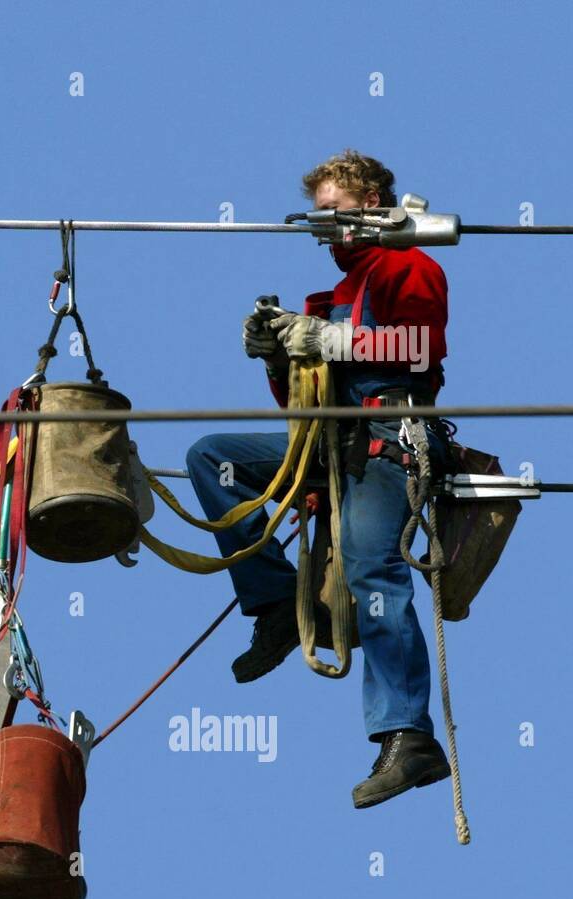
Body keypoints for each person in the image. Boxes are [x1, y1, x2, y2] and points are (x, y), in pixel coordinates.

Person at [186, 149, 453, 809]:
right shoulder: (336, 298)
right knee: (211, 457)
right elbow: (300, 404)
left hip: (385, 443)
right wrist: (280, 354)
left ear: (369, 204)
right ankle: (278, 603)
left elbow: (419, 348)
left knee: (371, 569)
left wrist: (325, 341)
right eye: (318, 215)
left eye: (333, 211)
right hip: (329, 442)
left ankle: (407, 734)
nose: (323, 225)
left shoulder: (408, 265)